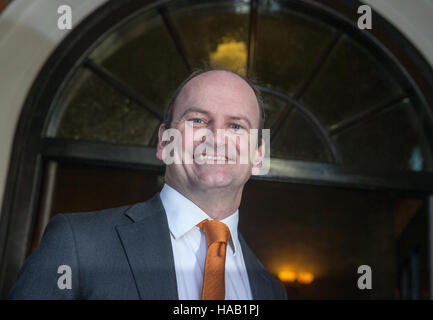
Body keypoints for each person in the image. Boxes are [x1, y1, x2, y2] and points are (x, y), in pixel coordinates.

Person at [8, 69, 287, 300]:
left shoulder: (271, 291)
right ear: (164, 142)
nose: (216, 137)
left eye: (236, 126)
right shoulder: (77, 244)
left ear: (259, 155)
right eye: (198, 120)